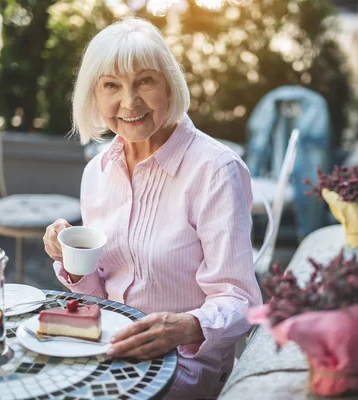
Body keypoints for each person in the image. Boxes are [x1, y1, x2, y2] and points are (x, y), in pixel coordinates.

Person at [42, 18, 262, 399]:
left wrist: (185, 326)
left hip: (183, 362)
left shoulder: (214, 171)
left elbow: (241, 300)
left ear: (169, 85)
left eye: (145, 81)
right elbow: (101, 296)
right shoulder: (97, 171)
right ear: (94, 95)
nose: (130, 102)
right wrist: (73, 261)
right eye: (111, 85)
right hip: (109, 349)